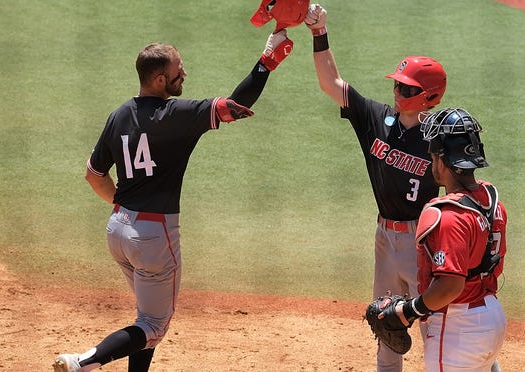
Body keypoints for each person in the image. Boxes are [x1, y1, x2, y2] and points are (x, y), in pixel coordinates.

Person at [52, 29, 294, 372]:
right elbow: (236, 106)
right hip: (153, 237)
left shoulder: (119, 114)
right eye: (179, 71)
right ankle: (84, 362)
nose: (185, 75)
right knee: (153, 327)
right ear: (161, 78)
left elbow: (94, 175)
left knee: (146, 317)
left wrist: (124, 210)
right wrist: (267, 61)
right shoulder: (176, 114)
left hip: (117, 231)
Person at [303, 4, 447, 371]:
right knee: (385, 325)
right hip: (385, 237)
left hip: (424, 242)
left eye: (407, 87)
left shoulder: (440, 138)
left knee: (440, 332)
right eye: (397, 83)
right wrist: (320, 33)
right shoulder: (376, 118)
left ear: (429, 96)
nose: (397, 90)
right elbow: (330, 84)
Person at [385, 107, 508, 371]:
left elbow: (450, 285)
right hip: (491, 319)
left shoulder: (447, 215)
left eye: (432, 155)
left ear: (442, 161)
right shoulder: (492, 200)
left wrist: (408, 311)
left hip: (458, 328)